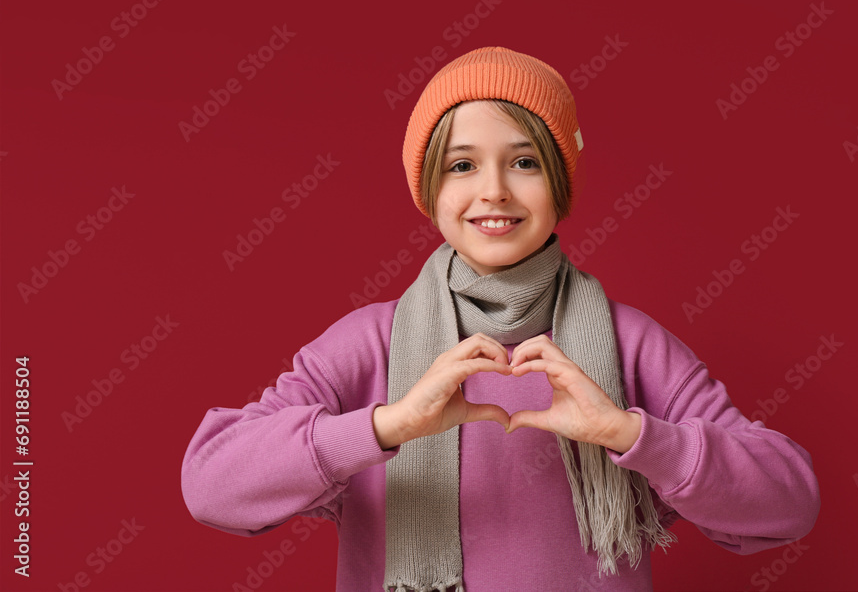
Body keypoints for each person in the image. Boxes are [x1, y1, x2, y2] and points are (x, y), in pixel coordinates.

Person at [181, 46, 820, 592]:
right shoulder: (367, 346)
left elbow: (789, 503)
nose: (494, 191)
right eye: (462, 165)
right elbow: (212, 486)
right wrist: (390, 425)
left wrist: (631, 435)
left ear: (560, 182)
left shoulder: (632, 346)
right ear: (429, 188)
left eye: (524, 162)